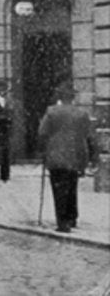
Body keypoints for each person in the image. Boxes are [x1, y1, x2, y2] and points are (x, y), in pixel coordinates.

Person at [38, 87, 98, 233]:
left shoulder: (52, 112)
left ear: (59, 97)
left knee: (59, 189)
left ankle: (62, 222)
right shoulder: (82, 114)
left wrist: (42, 151)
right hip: (75, 155)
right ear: (73, 98)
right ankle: (72, 217)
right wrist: (92, 157)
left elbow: (42, 132)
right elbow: (90, 136)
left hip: (56, 156)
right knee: (72, 185)